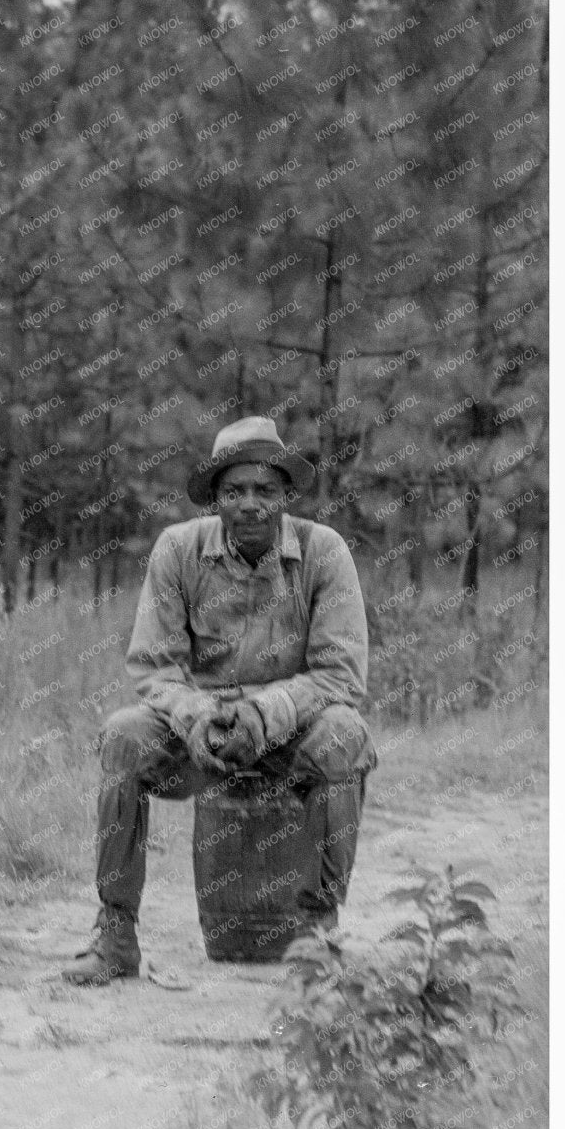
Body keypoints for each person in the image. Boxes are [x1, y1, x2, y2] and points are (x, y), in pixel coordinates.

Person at [64, 415, 377, 986]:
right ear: (214, 500)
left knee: (343, 736)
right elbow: (155, 667)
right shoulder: (178, 550)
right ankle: (115, 934)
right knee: (123, 736)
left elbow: (340, 674)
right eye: (234, 491)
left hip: (291, 733)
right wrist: (197, 716)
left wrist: (265, 714)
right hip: (199, 737)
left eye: (265, 490)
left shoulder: (323, 551)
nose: (250, 505)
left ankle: (318, 937)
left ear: (286, 495)